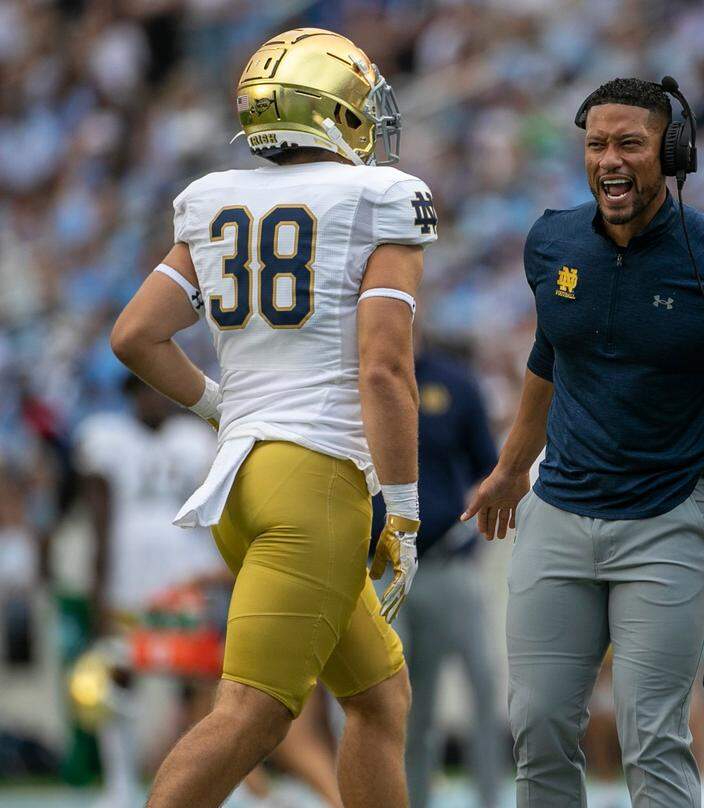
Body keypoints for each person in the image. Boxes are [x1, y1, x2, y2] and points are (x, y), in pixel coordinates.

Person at [463, 77, 704, 807]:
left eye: (630, 143)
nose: (609, 159)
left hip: (667, 518)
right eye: (596, 144)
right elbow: (549, 357)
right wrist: (509, 468)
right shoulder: (550, 241)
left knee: (652, 734)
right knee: (535, 725)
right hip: (558, 509)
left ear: (674, 152)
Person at [109, 28, 437, 808]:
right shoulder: (381, 199)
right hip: (316, 486)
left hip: (241, 479)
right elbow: (385, 368)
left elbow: (136, 336)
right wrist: (408, 507)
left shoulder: (213, 198)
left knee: (380, 698)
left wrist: (223, 407)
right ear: (335, 112)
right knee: (253, 716)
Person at [74, 375, 221, 807]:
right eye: (143, 390)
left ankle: (201, 784)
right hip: (130, 580)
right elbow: (99, 521)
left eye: (160, 388)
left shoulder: (194, 437)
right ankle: (119, 783)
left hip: (187, 577)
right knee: (120, 674)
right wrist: (97, 588)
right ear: (129, 396)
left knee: (195, 682)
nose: (154, 397)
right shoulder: (106, 437)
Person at [375, 344, 505, 808]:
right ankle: (413, 798)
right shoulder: (356, 379)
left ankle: (491, 797)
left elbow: (489, 467)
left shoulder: (453, 383)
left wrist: (469, 527)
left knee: (483, 684)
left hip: (447, 561)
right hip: (381, 571)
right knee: (399, 699)